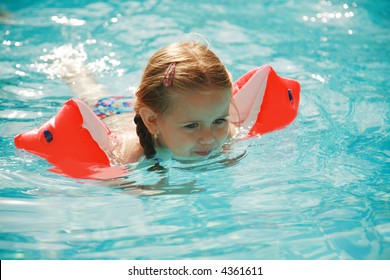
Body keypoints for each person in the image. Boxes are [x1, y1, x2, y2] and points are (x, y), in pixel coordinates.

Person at [61, 41, 237, 165]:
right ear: (152, 121)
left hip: (157, 106)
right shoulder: (127, 154)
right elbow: (109, 180)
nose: (209, 138)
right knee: (90, 91)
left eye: (219, 121)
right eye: (192, 126)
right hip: (111, 111)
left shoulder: (225, 134)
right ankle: (70, 65)